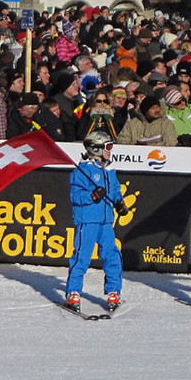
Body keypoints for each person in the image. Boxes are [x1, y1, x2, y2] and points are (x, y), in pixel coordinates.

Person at [64, 129, 126, 313]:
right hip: (88, 220)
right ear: (96, 148)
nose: (110, 150)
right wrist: (92, 195)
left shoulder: (108, 169)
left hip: (106, 221)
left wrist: (119, 202)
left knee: (112, 255)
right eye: (107, 147)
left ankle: (114, 291)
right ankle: (73, 292)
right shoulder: (82, 171)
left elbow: (114, 189)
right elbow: (75, 196)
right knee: (82, 256)